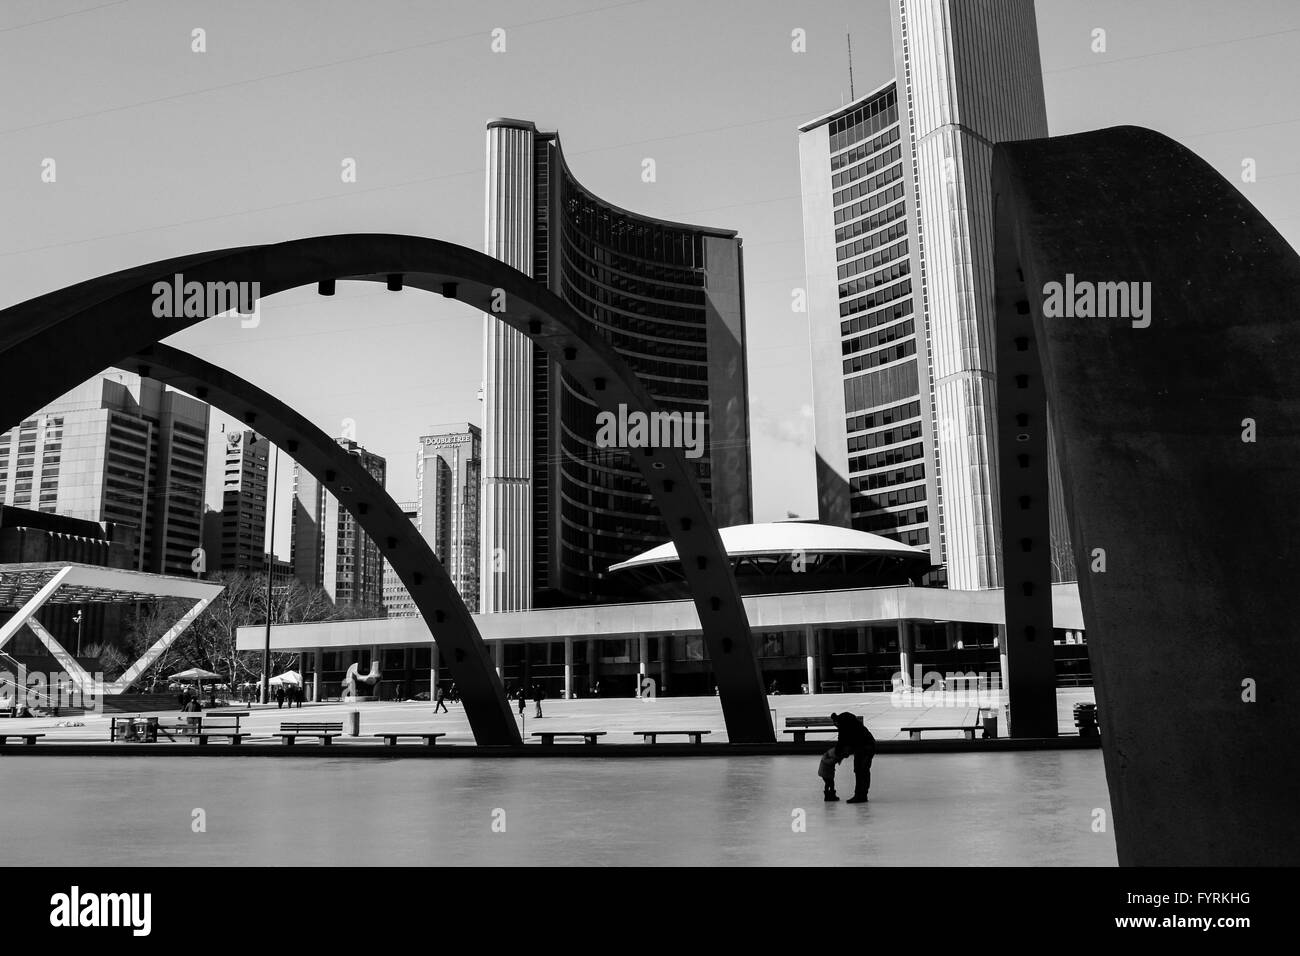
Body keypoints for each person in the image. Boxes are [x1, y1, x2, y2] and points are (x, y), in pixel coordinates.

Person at [831, 711, 876, 803]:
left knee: (860, 770)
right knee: (863, 770)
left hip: (864, 747)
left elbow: (842, 742)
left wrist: (836, 754)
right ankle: (862, 794)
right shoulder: (849, 721)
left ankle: (860, 795)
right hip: (869, 745)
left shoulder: (843, 725)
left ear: (836, 721)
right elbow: (848, 740)